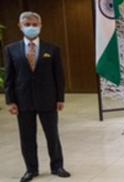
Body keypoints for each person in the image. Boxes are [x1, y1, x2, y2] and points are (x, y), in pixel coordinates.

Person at [3, 11, 71, 182]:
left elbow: (59, 76)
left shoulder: (52, 49)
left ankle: (57, 166)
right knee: (27, 137)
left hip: (48, 99)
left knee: (52, 135)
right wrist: (10, 100)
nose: (31, 27)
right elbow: (9, 77)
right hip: (23, 100)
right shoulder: (11, 50)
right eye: (27, 24)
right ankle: (31, 169)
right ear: (20, 26)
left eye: (35, 24)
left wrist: (60, 98)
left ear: (40, 26)